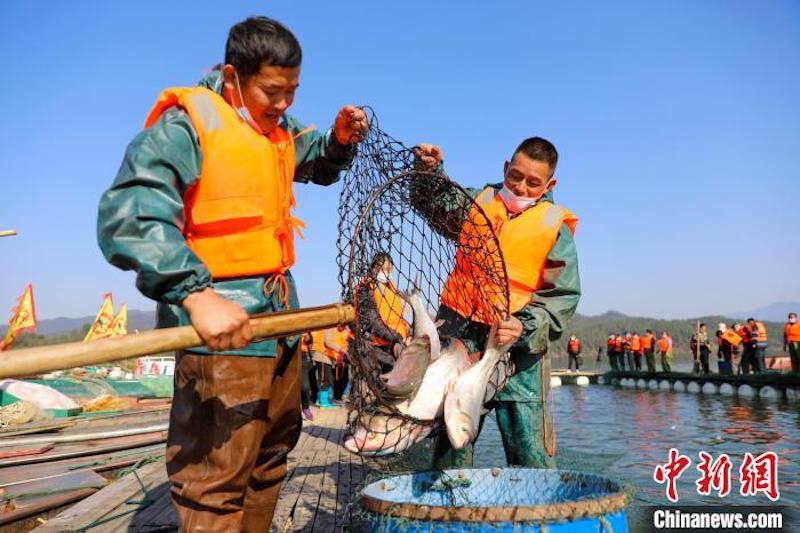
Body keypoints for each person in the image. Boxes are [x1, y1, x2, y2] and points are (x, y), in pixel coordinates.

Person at [96, 17, 371, 530]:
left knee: (269, 460)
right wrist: (195, 295)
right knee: (215, 478)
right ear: (232, 74)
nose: (284, 103)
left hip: (280, 325)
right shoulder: (187, 125)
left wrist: (337, 141)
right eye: (273, 90)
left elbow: (317, 160)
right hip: (220, 335)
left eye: (292, 91)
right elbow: (130, 215)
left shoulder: (280, 132)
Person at [416, 136, 580, 470]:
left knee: (529, 452)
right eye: (515, 176)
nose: (521, 188)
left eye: (533, 183)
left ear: (550, 184)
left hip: (516, 350)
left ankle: (535, 516)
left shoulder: (555, 227)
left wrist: (525, 325)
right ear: (506, 168)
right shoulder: (477, 201)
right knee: (452, 438)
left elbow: (561, 297)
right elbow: (436, 204)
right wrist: (430, 170)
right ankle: (449, 511)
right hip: (459, 335)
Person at [354, 252, 410, 356]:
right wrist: (396, 338)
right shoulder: (366, 287)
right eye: (385, 269)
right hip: (379, 347)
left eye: (390, 269)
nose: (388, 272)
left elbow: (401, 316)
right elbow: (372, 321)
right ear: (374, 268)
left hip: (398, 343)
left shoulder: (391, 287)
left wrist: (407, 334)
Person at [325, 324, 352, 402]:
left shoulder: (347, 332)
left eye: (343, 326)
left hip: (344, 358)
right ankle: (336, 396)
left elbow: (348, 343)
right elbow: (329, 343)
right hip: (334, 357)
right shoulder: (332, 330)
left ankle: (339, 396)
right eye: (340, 325)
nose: (342, 327)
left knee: (344, 378)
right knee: (336, 378)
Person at [299, 333, 314, 420]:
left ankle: (305, 407)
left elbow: (310, 342)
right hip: (289, 354)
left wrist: (307, 338)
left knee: (305, 386)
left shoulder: (304, 325)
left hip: (302, 356)